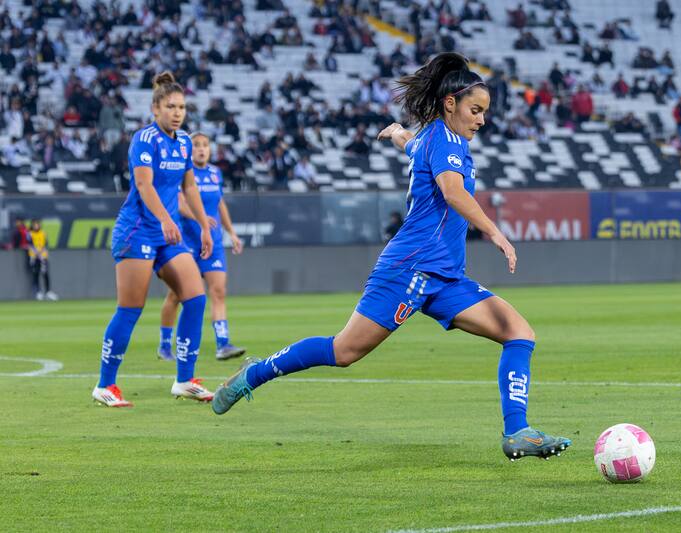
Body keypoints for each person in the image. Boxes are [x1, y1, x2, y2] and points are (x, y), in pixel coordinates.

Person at [211, 53, 572, 462]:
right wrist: (495, 232)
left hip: (445, 277)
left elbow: (414, 145)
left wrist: (398, 134)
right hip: (409, 269)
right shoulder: (447, 140)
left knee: (519, 332)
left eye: (484, 112)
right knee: (344, 352)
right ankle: (254, 374)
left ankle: (518, 431)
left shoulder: (434, 137)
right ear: (450, 103)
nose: (481, 120)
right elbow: (453, 193)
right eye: (476, 110)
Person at [92, 71, 215, 407]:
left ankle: (185, 380)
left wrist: (204, 227)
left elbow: (189, 187)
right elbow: (144, 186)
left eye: (181, 107)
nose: (178, 112)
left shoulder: (185, 141)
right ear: (156, 109)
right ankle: (105, 385)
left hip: (167, 233)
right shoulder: (144, 139)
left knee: (195, 297)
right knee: (130, 308)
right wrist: (165, 219)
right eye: (171, 106)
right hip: (137, 231)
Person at [158, 132, 246, 362]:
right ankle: (165, 345)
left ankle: (223, 344)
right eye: (196, 145)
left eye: (205, 145)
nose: (201, 149)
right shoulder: (183, 172)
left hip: (213, 243)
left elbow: (219, 203)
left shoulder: (215, 172)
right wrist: (200, 218)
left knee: (218, 291)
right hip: (187, 244)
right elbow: (178, 203)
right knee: (177, 295)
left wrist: (232, 233)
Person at [27, 219, 58, 301]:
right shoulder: (30, 234)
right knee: (35, 274)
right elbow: (30, 245)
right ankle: (38, 292)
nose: (36, 226)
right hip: (34, 257)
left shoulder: (43, 233)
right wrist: (36, 252)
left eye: (37, 224)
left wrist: (40, 252)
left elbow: (45, 244)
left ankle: (48, 292)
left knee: (45, 273)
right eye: (35, 224)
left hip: (43, 257)